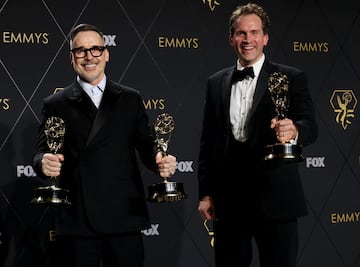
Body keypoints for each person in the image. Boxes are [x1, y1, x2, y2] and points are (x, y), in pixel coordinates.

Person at [32, 23, 177, 267]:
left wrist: (160, 160)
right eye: (81, 51)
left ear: (106, 53)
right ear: (72, 58)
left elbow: (146, 145)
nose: (89, 57)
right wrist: (43, 163)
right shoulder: (56, 103)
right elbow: (41, 152)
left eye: (96, 49)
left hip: (123, 216)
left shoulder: (130, 98)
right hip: (78, 218)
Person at [197, 3, 318, 267]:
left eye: (254, 32)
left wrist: (295, 130)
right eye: (241, 33)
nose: (247, 39)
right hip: (230, 202)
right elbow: (209, 143)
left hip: (276, 200)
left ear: (265, 38)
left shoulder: (291, 77)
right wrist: (206, 193)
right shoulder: (215, 82)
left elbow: (311, 127)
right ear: (231, 39)